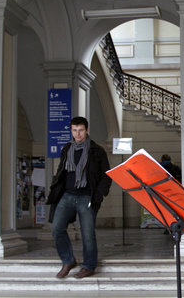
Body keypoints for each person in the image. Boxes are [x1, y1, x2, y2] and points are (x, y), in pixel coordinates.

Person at [47, 116, 112, 279]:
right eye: (74, 130)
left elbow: (107, 176)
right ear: (71, 130)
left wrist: (99, 194)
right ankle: (68, 260)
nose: (78, 134)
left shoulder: (97, 150)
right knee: (56, 228)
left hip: (86, 197)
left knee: (87, 233)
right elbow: (62, 171)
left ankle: (89, 266)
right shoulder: (67, 149)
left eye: (81, 130)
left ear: (87, 130)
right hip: (67, 195)